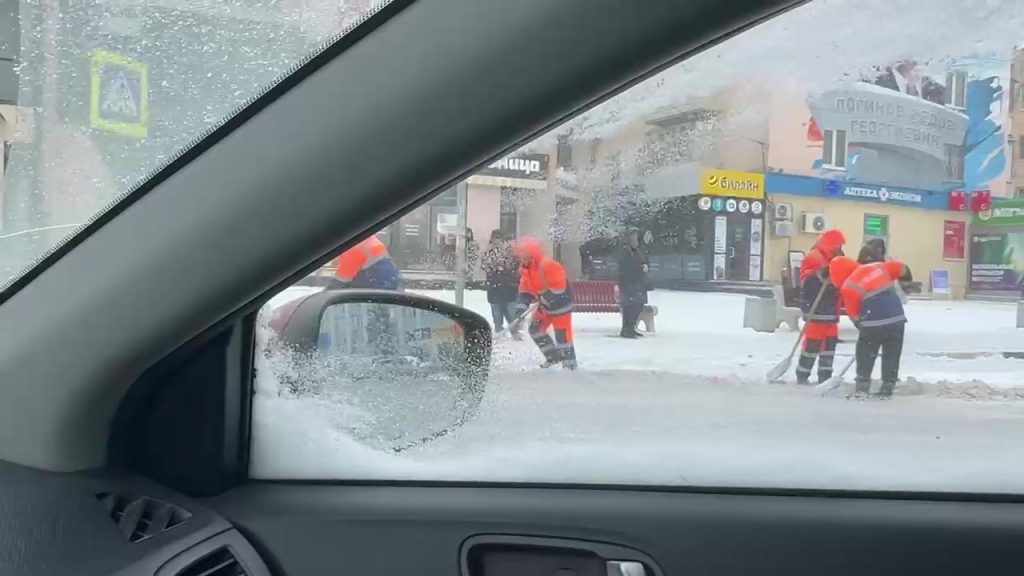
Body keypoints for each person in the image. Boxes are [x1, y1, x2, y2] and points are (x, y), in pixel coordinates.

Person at [828, 256, 910, 398]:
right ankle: (887, 387)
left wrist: (863, 329)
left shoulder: (848, 286)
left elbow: (854, 315)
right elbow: (901, 268)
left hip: (873, 322)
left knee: (865, 354)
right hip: (897, 319)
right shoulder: (877, 266)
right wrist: (906, 282)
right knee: (891, 355)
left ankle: (862, 387)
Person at [510, 237, 577, 369]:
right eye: (520, 258)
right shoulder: (525, 269)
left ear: (533, 255)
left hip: (560, 305)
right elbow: (525, 291)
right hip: (543, 306)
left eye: (525, 257)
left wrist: (545, 300)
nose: (522, 260)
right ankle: (553, 357)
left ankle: (569, 363)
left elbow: (559, 288)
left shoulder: (548, 265)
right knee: (535, 329)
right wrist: (520, 311)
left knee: (562, 335)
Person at [796, 229, 846, 385]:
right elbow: (807, 281)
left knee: (829, 344)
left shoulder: (834, 258)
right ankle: (803, 374)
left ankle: (825, 375)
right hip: (817, 308)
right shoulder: (814, 257)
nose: (840, 248)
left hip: (830, 308)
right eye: (838, 245)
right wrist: (823, 274)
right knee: (813, 343)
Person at [482, 229, 520, 334]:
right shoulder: (491, 252)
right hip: (502, 288)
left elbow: (486, 267)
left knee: (505, 315)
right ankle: (510, 333)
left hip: (502, 288)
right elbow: (486, 267)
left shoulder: (510, 252)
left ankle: (510, 333)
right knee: (504, 315)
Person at [615, 228, 649, 339]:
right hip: (628, 282)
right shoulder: (624, 251)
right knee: (630, 306)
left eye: (636, 238)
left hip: (638, 282)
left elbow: (644, 260)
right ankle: (627, 329)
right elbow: (626, 266)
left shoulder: (638, 250)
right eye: (633, 238)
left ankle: (631, 327)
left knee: (638, 305)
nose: (635, 241)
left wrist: (645, 266)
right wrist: (640, 268)